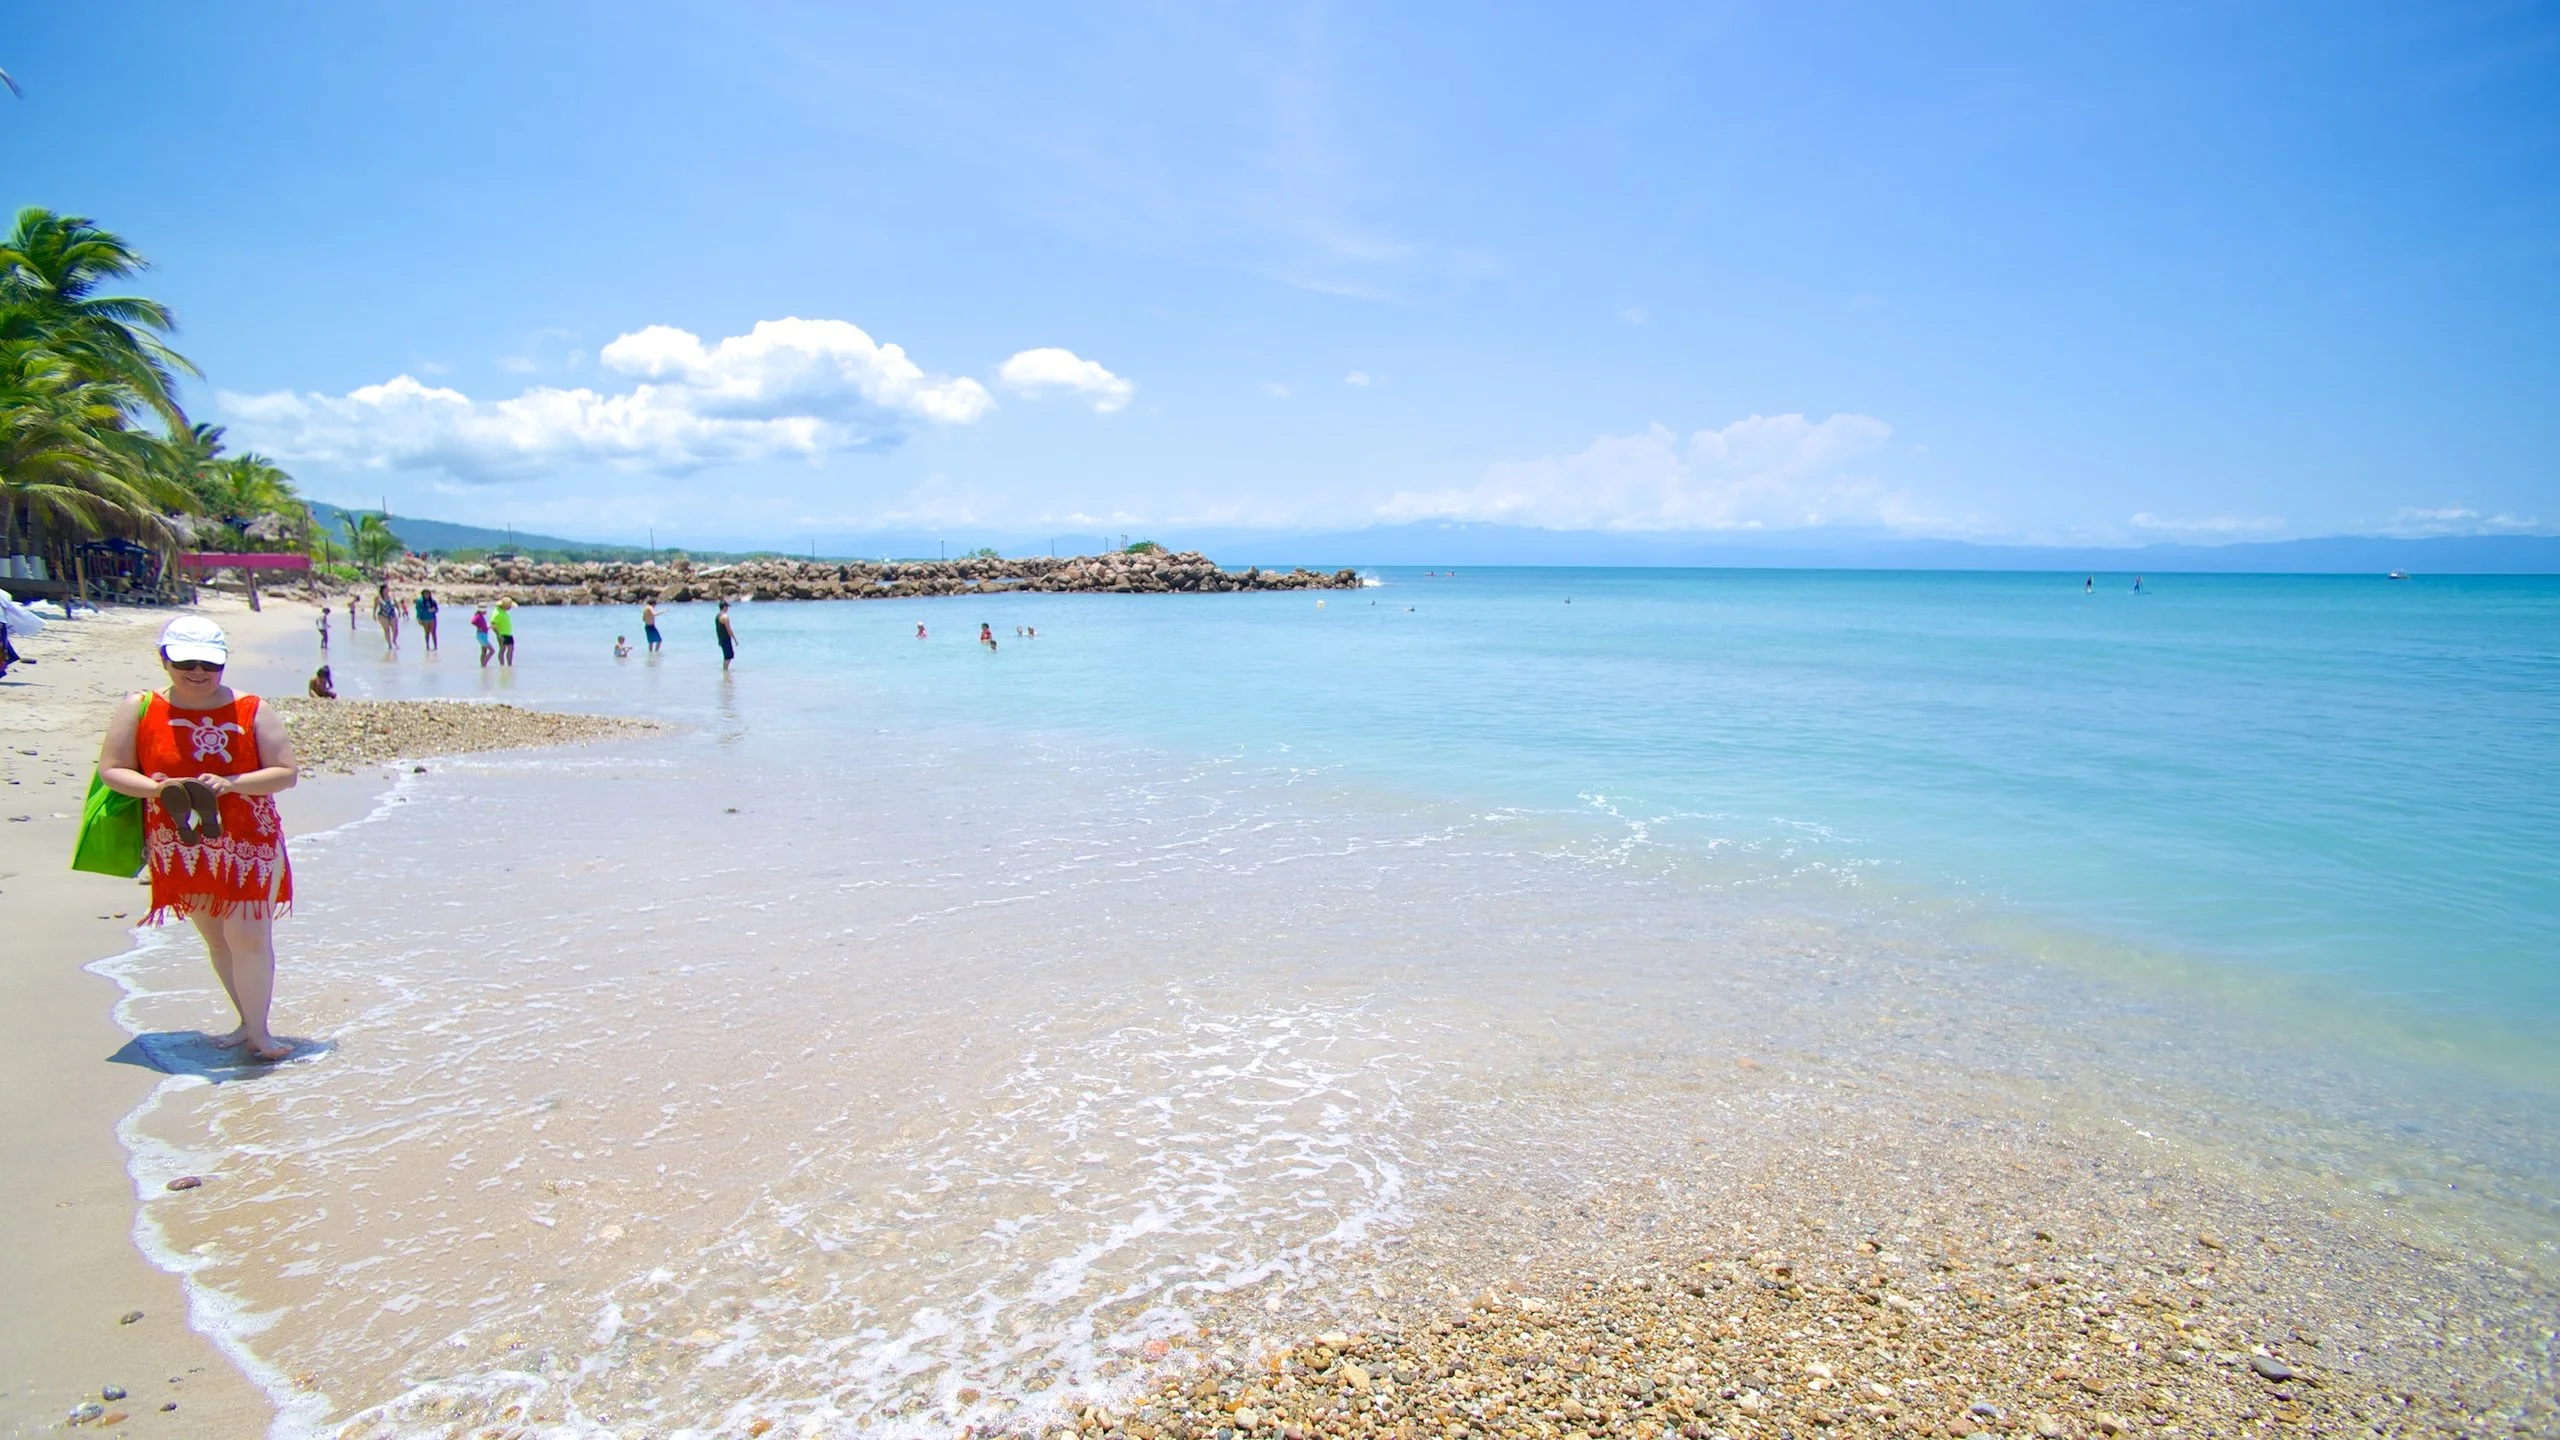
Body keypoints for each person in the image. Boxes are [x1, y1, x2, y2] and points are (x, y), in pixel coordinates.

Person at [95, 616, 300, 1062]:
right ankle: (246, 1020)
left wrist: (231, 782)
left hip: (248, 838)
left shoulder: (252, 709)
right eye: (185, 661)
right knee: (217, 939)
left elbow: (286, 774)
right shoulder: (141, 706)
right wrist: (156, 790)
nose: (198, 671)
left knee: (248, 936)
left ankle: (260, 1032)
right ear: (164, 658)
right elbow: (111, 769)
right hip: (182, 838)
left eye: (210, 663)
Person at [374, 583, 401, 653]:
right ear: (383, 590)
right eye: (386, 588)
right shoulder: (378, 598)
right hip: (383, 614)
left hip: (392, 613)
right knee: (387, 630)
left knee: (395, 629)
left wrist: (399, 611)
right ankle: (389, 644)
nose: (388, 590)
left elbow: (396, 604)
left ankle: (394, 640)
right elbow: (375, 606)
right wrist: (374, 614)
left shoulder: (391, 596)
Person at [491, 597, 516, 667]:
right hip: (502, 634)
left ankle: (509, 665)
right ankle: (502, 665)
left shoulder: (503, 611)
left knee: (511, 649)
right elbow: (493, 625)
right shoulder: (497, 612)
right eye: (509, 606)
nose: (510, 608)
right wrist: (498, 635)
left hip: (508, 633)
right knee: (502, 649)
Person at [714, 600, 738, 671]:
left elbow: (718, 629)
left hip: (721, 638)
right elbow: (729, 629)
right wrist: (735, 639)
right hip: (726, 639)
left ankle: (725, 672)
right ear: (724, 607)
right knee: (728, 656)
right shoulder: (725, 617)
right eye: (727, 607)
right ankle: (725, 671)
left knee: (727, 656)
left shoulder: (717, 616)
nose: (727, 608)